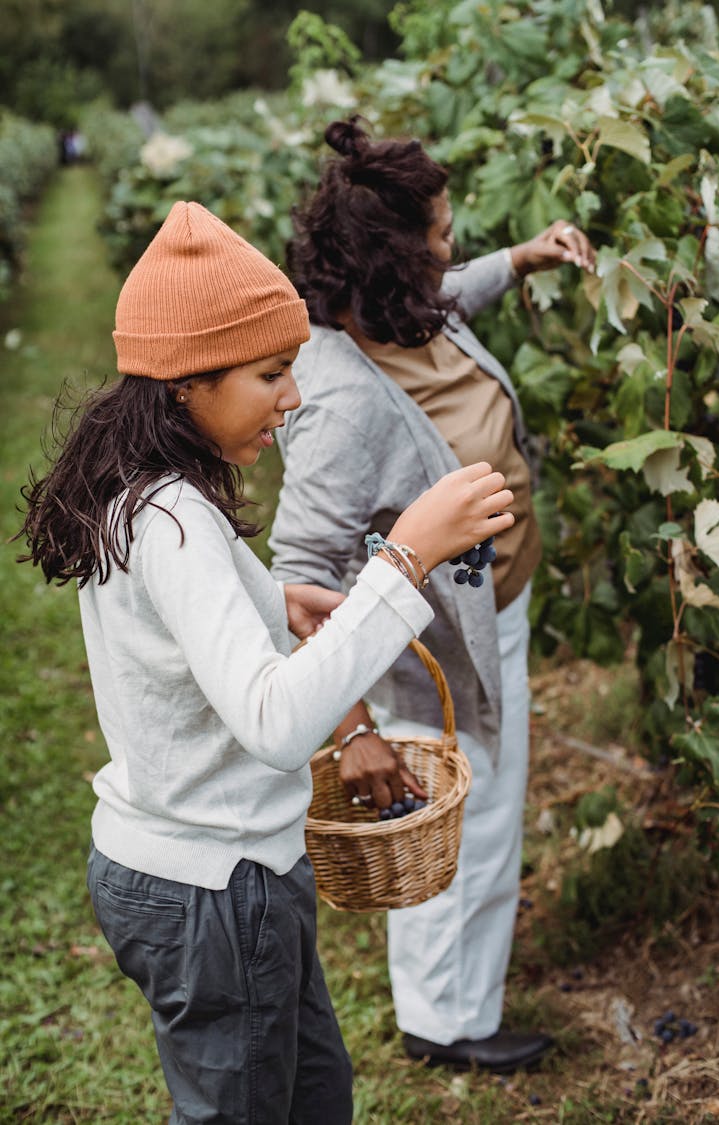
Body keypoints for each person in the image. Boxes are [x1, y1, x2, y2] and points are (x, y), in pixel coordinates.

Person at [16, 200, 516, 1123]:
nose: (292, 399)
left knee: (314, 1092)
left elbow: (175, 632)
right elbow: (277, 723)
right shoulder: (173, 522)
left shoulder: (151, 498)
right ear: (183, 382)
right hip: (214, 887)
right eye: (271, 373)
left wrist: (267, 602)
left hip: (223, 875)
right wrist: (401, 562)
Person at [269, 118, 596, 1074]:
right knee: (465, 815)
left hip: (490, 610)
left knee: (481, 806)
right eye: (440, 234)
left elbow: (460, 290)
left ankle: (452, 1001)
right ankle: (447, 1024)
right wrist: (352, 727)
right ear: (393, 266)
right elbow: (303, 576)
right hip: (437, 648)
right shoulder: (342, 402)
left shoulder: (407, 307)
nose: (453, 248)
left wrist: (523, 257)